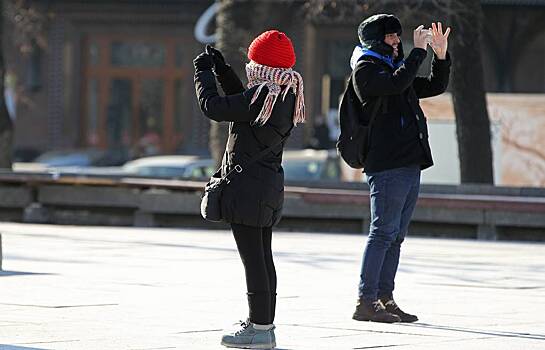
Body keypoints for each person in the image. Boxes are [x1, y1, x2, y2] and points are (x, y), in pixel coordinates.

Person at [193, 30, 305, 348]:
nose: (250, 65)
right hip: (266, 189)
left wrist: (201, 73)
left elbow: (214, 107)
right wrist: (222, 70)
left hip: (246, 191)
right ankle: (264, 325)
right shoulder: (281, 93)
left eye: (253, 60)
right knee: (262, 258)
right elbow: (239, 105)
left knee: (253, 261)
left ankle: (259, 329)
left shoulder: (263, 97)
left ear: (262, 65)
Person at [350, 14, 451, 323]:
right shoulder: (366, 70)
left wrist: (440, 53)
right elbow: (395, 85)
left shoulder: (396, 69)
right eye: (390, 37)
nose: (396, 41)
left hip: (409, 162)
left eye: (397, 36)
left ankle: (384, 297)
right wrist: (418, 52)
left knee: (396, 236)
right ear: (375, 41)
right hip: (387, 164)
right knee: (382, 232)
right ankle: (366, 300)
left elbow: (435, 85)